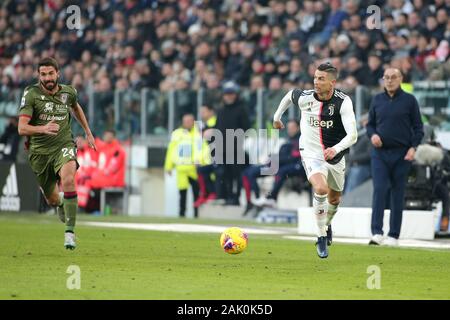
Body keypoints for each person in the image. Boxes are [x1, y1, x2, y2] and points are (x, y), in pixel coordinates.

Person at [272, 62, 358, 258]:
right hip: (310, 152)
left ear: (332, 82)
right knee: (320, 189)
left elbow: (352, 135)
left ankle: (326, 225)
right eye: (315, 78)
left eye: (321, 79)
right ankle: (320, 236)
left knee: (335, 199)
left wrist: (335, 149)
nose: (316, 82)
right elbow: (289, 95)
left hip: (335, 155)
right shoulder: (306, 98)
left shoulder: (343, 102)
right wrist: (277, 118)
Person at [18, 57, 97, 250]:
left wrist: (87, 132)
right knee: (52, 199)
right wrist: (43, 129)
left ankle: (70, 233)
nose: (47, 78)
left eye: (50, 73)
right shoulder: (31, 94)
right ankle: (62, 201)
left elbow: (76, 107)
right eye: (43, 74)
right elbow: (22, 128)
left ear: (58, 74)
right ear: (39, 75)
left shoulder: (68, 92)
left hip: (64, 145)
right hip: (39, 153)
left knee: (69, 179)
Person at [366, 68, 424, 246]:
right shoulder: (377, 99)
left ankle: (393, 235)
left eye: (393, 77)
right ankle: (376, 232)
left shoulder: (410, 100)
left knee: (398, 193)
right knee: (380, 189)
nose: (389, 81)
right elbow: (370, 125)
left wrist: (413, 148)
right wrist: (373, 135)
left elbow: (418, 127)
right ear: (383, 80)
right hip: (380, 153)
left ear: (400, 79)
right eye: (386, 77)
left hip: (402, 153)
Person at [251, 120, 305, 209]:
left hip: (299, 166)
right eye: (289, 128)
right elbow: (285, 156)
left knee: (282, 171)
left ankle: (272, 198)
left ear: (298, 128)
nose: (290, 130)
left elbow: (294, 157)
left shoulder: (301, 140)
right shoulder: (288, 141)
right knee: (251, 172)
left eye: (292, 128)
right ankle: (258, 199)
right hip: (282, 165)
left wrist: (276, 160)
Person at [164, 113, 210, 218]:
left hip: (194, 169)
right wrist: (168, 166)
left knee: (196, 193)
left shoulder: (198, 134)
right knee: (182, 193)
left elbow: (205, 149)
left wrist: (200, 161)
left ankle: (196, 215)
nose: (187, 123)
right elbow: (171, 150)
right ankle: (181, 214)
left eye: (189, 121)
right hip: (181, 168)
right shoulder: (178, 134)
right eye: (185, 121)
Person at [214, 81, 251, 206]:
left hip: (236, 149)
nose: (229, 96)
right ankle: (229, 196)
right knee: (226, 174)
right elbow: (217, 129)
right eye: (227, 94)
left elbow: (246, 128)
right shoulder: (220, 110)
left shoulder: (241, 109)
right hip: (223, 149)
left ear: (235, 95)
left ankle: (236, 197)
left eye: (231, 94)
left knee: (237, 174)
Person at [343, 114, 372, 194]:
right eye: (362, 122)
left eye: (365, 121)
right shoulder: (363, 134)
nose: (363, 124)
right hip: (355, 167)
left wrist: (352, 158)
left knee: (351, 191)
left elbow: (369, 155)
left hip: (362, 168)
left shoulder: (370, 135)